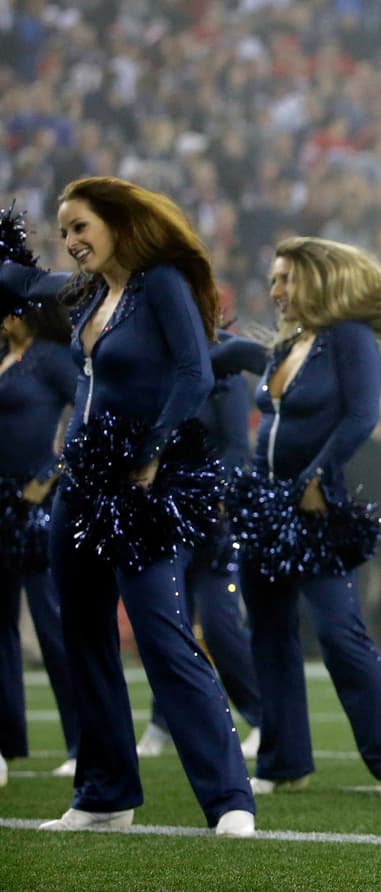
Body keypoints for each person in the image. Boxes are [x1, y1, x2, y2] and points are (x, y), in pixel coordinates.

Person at [0, 176, 255, 836]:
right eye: (64, 231)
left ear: (119, 223)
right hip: (80, 485)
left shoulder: (162, 281)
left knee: (162, 635)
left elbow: (196, 372)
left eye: (81, 226)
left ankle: (229, 799)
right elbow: (29, 287)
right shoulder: (88, 295)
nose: (72, 241)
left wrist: (153, 449)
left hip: (143, 485)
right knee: (82, 633)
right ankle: (104, 795)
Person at [234, 237, 381, 801]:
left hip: (316, 505)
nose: (276, 292)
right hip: (265, 504)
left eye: (287, 280)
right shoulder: (288, 343)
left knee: (339, 629)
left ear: (320, 281)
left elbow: (362, 415)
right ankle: (282, 760)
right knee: (267, 632)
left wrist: (314, 477)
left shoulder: (350, 337)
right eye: (273, 280)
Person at [135, 330, 264, 762]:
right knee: (166, 620)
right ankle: (162, 721)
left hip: (211, 520)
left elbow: (235, 447)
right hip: (161, 514)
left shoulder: (220, 367)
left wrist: (211, 495)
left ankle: (263, 718)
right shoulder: (152, 357)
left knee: (219, 622)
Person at [0, 298, 79, 785]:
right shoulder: (6, 357)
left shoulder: (51, 357)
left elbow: (89, 409)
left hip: (36, 502)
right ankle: (7, 740)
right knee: (0, 623)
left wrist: (50, 474)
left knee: (52, 620)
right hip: (0, 501)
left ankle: (83, 741)